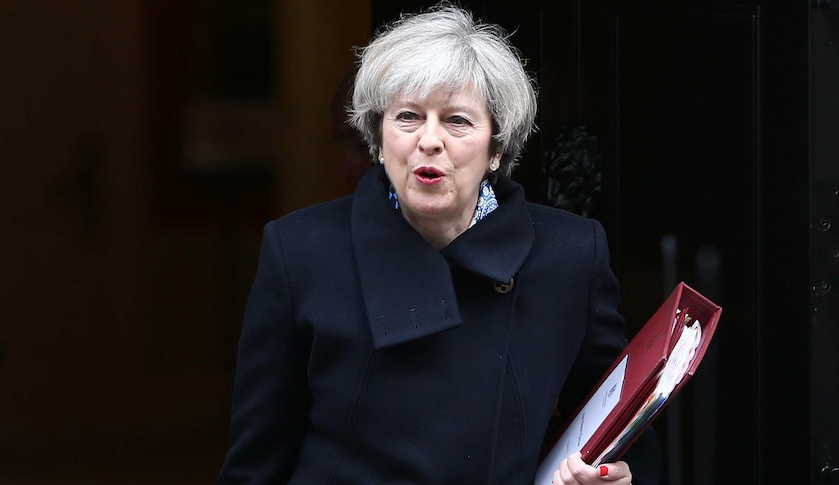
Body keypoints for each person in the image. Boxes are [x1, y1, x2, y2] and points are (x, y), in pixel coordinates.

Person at [218, 3, 661, 484]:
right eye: (408, 116)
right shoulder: (299, 250)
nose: (430, 140)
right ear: (377, 138)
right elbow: (257, 461)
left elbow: (619, 433)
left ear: (497, 148)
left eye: (457, 121)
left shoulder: (571, 254)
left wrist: (616, 476)